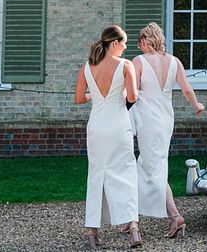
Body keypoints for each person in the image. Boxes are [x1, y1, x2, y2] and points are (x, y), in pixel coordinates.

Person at [130, 22, 205, 238]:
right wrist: (197, 106)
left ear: (145, 41)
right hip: (165, 120)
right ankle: (132, 217)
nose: (139, 47)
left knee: (153, 169)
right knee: (146, 164)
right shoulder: (175, 62)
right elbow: (187, 89)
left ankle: (174, 216)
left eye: (140, 43)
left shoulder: (139, 61)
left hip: (148, 121)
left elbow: (130, 91)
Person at [74, 25, 141, 250]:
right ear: (114, 43)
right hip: (118, 126)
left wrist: (96, 94)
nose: (125, 47)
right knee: (125, 172)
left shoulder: (87, 66)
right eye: (123, 43)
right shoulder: (125, 65)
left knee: (96, 174)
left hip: (96, 126)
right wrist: (122, 94)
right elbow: (132, 96)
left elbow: (79, 98)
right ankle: (133, 228)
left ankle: (92, 233)